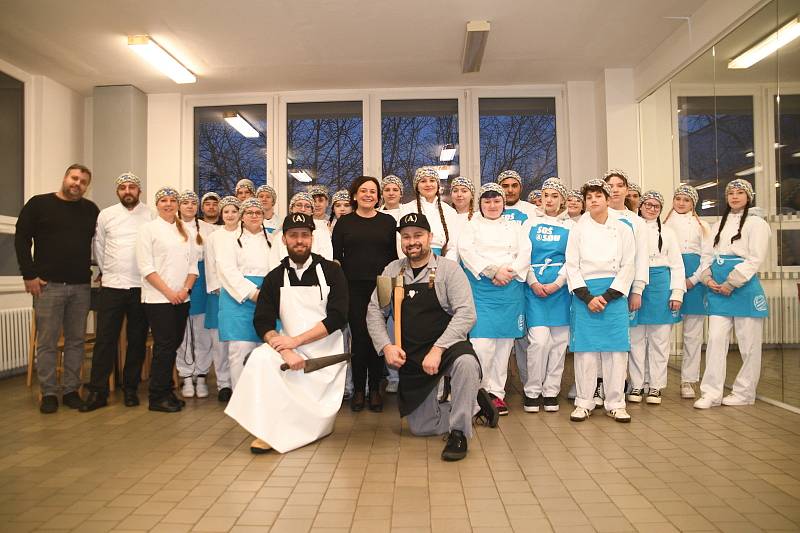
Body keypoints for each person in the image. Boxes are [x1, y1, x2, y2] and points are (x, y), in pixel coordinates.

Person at [366, 213, 499, 462]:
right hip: (413, 353)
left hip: (448, 347)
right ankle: (475, 403)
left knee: (466, 363)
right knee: (421, 428)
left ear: (430, 238)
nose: (412, 241)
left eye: (418, 235)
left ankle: (459, 433)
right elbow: (375, 311)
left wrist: (438, 349)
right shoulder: (392, 270)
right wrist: (386, 346)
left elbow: (467, 314)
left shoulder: (449, 270)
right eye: (406, 237)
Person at [228, 213, 349, 454]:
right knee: (260, 358)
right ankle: (265, 430)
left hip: (324, 353)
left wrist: (296, 342)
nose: (300, 240)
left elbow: (338, 317)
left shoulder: (332, 272)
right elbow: (262, 319)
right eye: (293, 236)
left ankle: (303, 425)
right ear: (284, 240)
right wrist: (283, 347)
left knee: (313, 419)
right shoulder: (274, 277)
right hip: (288, 348)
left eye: (305, 235)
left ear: (312, 238)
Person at [15, 164, 99, 413]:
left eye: (83, 181)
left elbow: (102, 242)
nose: (78, 184)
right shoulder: (39, 204)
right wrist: (29, 274)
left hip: (81, 286)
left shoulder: (90, 210)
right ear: (65, 178)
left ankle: (71, 390)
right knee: (48, 342)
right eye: (74, 178)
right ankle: (49, 392)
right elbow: (21, 238)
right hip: (47, 286)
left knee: (75, 341)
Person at [694, 179, 770, 409]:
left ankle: (745, 393)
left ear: (749, 197)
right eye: (731, 193)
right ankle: (711, 392)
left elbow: (755, 259)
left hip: (743, 288)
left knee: (749, 345)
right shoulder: (718, 224)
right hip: (717, 289)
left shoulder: (757, 224)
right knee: (715, 340)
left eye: (740, 193)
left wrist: (732, 282)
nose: (735, 197)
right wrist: (707, 278)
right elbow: (706, 255)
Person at [81, 172, 152, 412]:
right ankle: (98, 391)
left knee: (137, 340)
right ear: (117, 191)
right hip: (111, 286)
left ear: (139, 191)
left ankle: (130, 389)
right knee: (105, 340)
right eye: (123, 188)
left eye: (132, 187)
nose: (128, 191)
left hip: (141, 287)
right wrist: (107, 270)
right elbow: (99, 247)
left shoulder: (149, 214)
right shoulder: (106, 215)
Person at [566, 179, 635, 423]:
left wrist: (606, 296)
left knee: (616, 351)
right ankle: (584, 401)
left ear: (608, 199)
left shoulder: (624, 228)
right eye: (589, 197)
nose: (593, 200)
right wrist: (587, 297)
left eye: (598, 196)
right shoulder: (578, 229)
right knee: (585, 351)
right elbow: (572, 266)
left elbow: (629, 266)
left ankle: (615, 402)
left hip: (614, 295)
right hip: (585, 294)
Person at [458, 183, 531, 416]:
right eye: (487, 201)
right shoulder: (471, 226)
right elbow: (466, 252)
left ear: (503, 203)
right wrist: (492, 271)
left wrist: (507, 272)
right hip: (482, 290)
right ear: (480, 204)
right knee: (481, 346)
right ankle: (477, 394)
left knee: (504, 346)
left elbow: (525, 253)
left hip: (510, 290)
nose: (492, 205)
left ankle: (496, 394)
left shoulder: (515, 226)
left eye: (496, 201)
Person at [332, 176, 398, 411]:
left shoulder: (388, 222)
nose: (368, 195)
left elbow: (393, 258)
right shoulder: (344, 223)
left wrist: (392, 285)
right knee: (360, 339)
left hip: (381, 286)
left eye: (372, 191)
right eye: (363, 191)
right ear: (355, 195)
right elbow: (337, 259)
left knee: (377, 337)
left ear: (378, 195)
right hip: (353, 287)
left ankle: (375, 390)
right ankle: (359, 390)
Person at [136, 187, 198, 413]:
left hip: (182, 298)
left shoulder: (185, 232)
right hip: (157, 299)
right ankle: (156, 396)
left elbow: (192, 266)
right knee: (164, 346)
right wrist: (169, 293)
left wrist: (185, 290)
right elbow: (146, 267)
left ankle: (167, 391)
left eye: (173, 200)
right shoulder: (148, 229)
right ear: (157, 204)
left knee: (173, 345)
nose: (169, 204)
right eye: (164, 200)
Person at [627, 190, 685, 405]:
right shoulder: (631, 227)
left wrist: (677, 292)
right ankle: (636, 383)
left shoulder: (668, 232)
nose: (651, 209)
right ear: (640, 206)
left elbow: (677, 265)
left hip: (661, 286)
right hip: (635, 285)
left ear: (660, 210)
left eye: (656, 206)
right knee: (635, 340)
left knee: (660, 341)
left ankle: (655, 386)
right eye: (647, 205)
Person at [522, 178, 574, 413]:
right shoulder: (529, 224)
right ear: (540, 199)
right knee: (538, 342)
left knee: (559, 343)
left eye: (554, 196)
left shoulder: (571, 226)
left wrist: (558, 282)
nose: (550, 200)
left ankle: (551, 391)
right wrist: (533, 282)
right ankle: (532, 391)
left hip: (560, 292)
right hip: (534, 290)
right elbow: (523, 254)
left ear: (562, 199)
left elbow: (573, 258)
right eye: (546, 196)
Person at [217, 198, 274, 388]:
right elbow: (227, 271)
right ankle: (240, 398)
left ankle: (262, 398)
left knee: (267, 351)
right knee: (240, 350)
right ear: (242, 216)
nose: (254, 216)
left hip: (268, 299)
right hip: (237, 300)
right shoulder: (228, 240)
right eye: (249, 212)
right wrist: (253, 293)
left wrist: (267, 296)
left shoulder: (273, 239)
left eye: (258, 213)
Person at [663, 185, 710, 399]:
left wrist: (693, 279)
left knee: (693, 334)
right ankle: (653, 380)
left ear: (694, 203)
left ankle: (688, 381)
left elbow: (708, 257)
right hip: (669, 279)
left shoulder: (703, 226)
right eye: (678, 199)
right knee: (661, 333)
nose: (681, 203)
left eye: (686, 200)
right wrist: (674, 281)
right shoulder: (663, 224)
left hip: (694, 282)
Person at [175, 190, 219, 399]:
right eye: (185, 203)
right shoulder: (171, 228)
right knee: (182, 333)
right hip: (178, 282)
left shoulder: (209, 230)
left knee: (202, 333)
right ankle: (186, 375)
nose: (190, 206)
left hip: (202, 284)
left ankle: (201, 375)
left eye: (193, 203)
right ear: (179, 206)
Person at [203, 195, 240, 402]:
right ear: (221, 214)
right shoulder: (214, 237)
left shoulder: (244, 233)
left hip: (240, 294)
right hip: (220, 294)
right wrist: (216, 286)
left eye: (234, 211)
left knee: (237, 341)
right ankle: (223, 383)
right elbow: (210, 263)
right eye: (226, 211)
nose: (230, 215)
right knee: (220, 342)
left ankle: (238, 382)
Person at [399, 166, 458, 259]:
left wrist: (446, 267)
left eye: (432, 180)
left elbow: (453, 246)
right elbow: (400, 241)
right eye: (423, 181)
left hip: (443, 263)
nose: (428, 184)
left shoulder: (450, 211)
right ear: (417, 187)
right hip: (412, 261)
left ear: (438, 185)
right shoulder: (406, 209)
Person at [270, 192, 333, 262]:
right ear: (291, 208)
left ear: (312, 210)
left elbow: (326, 262)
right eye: (299, 205)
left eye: (307, 206)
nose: (303, 209)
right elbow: (274, 263)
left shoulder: (322, 234)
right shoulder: (280, 235)